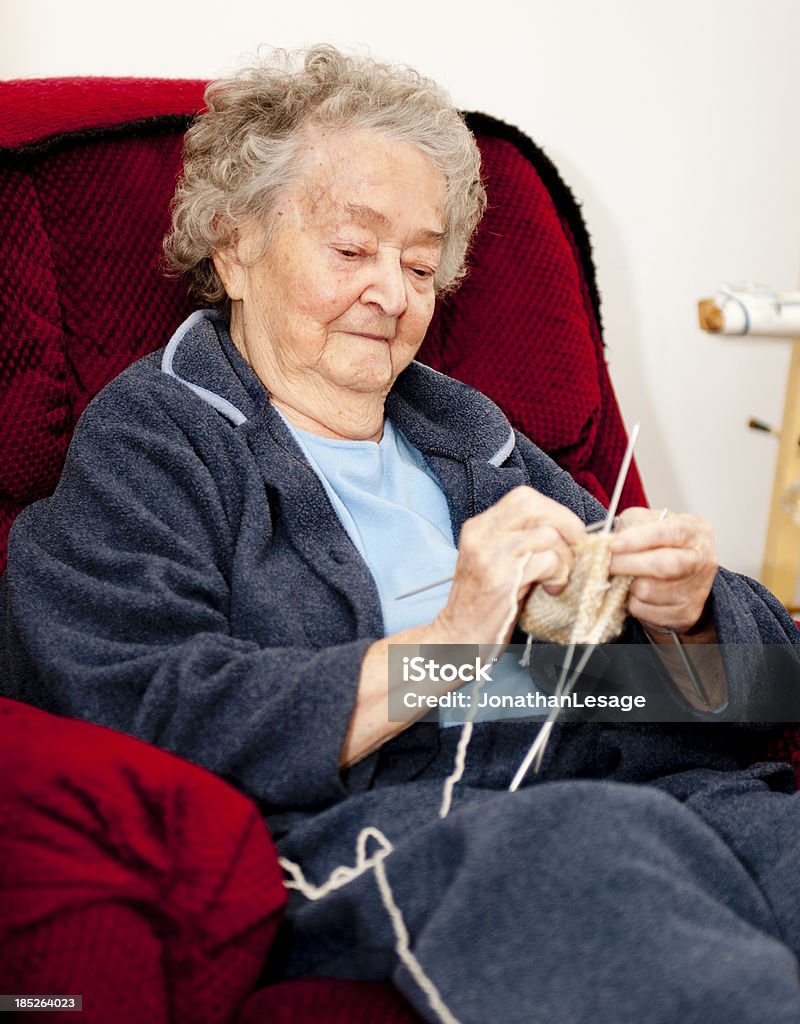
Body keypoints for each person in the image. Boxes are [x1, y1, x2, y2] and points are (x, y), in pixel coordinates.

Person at [3, 45, 800, 1024]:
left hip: (644, 776)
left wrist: (693, 614)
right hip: (423, 824)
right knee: (594, 851)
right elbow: (144, 705)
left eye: (420, 263)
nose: (394, 293)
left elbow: (773, 690)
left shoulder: (466, 432)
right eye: (351, 250)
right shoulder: (157, 441)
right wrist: (444, 651)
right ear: (232, 244)